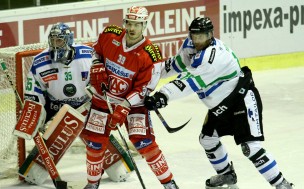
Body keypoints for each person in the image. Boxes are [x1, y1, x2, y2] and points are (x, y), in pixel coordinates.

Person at [144, 17, 294, 189]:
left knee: (250, 147)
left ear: (211, 35)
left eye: (203, 36)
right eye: (195, 36)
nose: (198, 40)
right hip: (220, 106)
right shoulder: (189, 45)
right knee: (207, 139)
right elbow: (176, 66)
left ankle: (282, 185)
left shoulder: (213, 58)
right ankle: (226, 175)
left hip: (240, 100)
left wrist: (162, 96)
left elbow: (188, 82)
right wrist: (148, 73)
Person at [80, 6, 179, 189]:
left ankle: (169, 183)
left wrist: (125, 105)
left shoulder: (151, 54)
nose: (132, 28)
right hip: (103, 98)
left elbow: (145, 88)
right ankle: (92, 185)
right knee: (94, 143)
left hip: (134, 105)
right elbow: (96, 50)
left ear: (145, 25)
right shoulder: (110, 34)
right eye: (129, 23)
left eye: (137, 24)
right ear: (124, 22)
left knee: (144, 143)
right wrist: (96, 64)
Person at [23, 22, 131, 184]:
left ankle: (114, 163)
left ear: (69, 40)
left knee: (120, 173)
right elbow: (33, 92)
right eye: (52, 40)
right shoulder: (40, 61)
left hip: (86, 106)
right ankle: (39, 166)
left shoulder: (88, 55)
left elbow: (109, 76)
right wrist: (36, 114)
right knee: (33, 176)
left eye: (59, 40)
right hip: (56, 110)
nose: (55, 44)